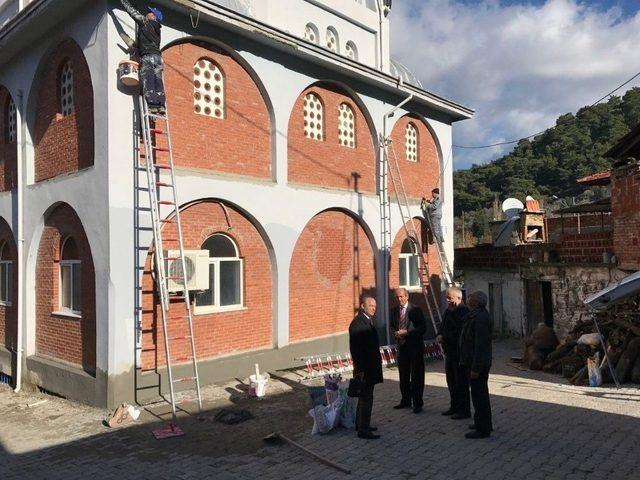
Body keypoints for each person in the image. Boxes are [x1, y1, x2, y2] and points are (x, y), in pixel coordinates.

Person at [119, 1, 166, 114]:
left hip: (148, 57)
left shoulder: (146, 23)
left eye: (150, 13)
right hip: (158, 58)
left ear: (153, 16)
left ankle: (152, 106)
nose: (147, 13)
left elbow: (133, 13)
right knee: (158, 81)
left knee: (148, 80)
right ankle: (161, 106)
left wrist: (123, 1)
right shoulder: (157, 29)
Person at [459, 291, 493, 439]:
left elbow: (480, 345)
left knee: (479, 396)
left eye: (470, 298)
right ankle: (483, 422)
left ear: (475, 302)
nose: (467, 300)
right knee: (479, 394)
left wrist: (475, 368)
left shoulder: (480, 318)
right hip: (474, 360)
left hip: (478, 363)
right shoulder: (476, 315)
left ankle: (483, 428)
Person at [349, 295, 383, 439]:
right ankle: (364, 429)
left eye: (375, 306)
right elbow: (356, 350)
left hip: (370, 367)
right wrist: (360, 370)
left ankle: (361, 424)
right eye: (371, 306)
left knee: (364, 396)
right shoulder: (358, 324)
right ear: (363, 306)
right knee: (366, 397)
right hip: (365, 369)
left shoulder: (367, 320)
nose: (374, 309)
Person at [390, 288, 427, 414]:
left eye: (401, 297)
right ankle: (405, 400)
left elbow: (422, 328)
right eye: (397, 297)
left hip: (415, 347)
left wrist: (407, 332)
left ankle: (417, 403)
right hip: (402, 346)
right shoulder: (394, 311)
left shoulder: (416, 310)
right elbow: (392, 326)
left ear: (407, 296)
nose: (399, 299)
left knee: (416, 376)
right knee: (403, 375)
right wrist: (396, 333)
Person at [437, 287, 471, 419]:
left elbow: (460, 331)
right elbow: (443, 325)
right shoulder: (448, 310)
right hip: (449, 351)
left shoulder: (463, 311)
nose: (447, 300)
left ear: (458, 297)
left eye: (449, 298)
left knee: (461, 382)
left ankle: (464, 410)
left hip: (459, 353)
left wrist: (444, 337)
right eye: (446, 297)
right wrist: (439, 334)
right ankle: (454, 406)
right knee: (451, 380)